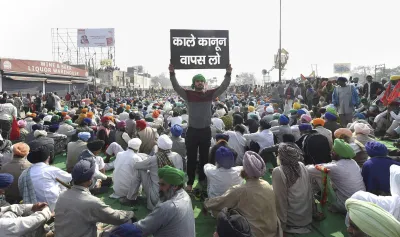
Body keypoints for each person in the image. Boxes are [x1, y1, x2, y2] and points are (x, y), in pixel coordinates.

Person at [169, 63, 232, 191]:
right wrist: (172, 73)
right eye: (197, 81)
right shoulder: (188, 94)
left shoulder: (210, 94)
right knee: (191, 158)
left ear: (204, 83)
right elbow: (176, 86)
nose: (200, 83)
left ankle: (202, 180)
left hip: (205, 131)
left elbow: (223, 86)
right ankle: (190, 182)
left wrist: (228, 73)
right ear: (194, 83)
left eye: (202, 81)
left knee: (204, 158)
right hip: (192, 131)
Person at [204, 151, 279, 237]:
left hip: (253, 234)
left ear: (245, 169)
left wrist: (206, 204)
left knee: (220, 211)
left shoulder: (240, 189)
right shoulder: (267, 184)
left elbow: (220, 202)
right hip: (273, 231)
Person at [55, 158, 135, 237]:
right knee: (128, 221)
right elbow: (116, 217)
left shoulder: (62, 195)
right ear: (90, 180)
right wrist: (130, 213)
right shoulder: (92, 202)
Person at [132, 166, 195, 237]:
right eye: (159, 184)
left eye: (163, 185)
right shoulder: (185, 195)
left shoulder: (168, 207)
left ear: (174, 186)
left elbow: (141, 228)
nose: (159, 188)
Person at [307, 139, 366, 213]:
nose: (331, 152)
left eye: (333, 151)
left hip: (346, 204)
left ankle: (310, 199)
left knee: (316, 175)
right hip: (361, 201)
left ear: (339, 154)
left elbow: (309, 169)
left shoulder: (336, 167)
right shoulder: (353, 162)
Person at [272, 143, 312, 234]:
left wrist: (281, 225)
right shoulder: (301, 165)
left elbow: (280, 200)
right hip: (306, 216)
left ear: (281, 157)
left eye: (278, 154)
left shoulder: (278, 171)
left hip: (292, 220)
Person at [18, 145, 72, 211]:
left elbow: (21, 190)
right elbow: (69, 178)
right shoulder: (50, 169)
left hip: (33, 207)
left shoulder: (24, 173)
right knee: (62, 184)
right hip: (52, 206)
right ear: (48, 158)